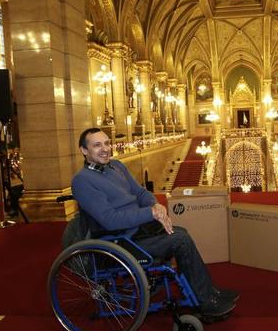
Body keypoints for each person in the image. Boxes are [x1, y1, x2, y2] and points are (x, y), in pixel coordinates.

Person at [71, 127, 238, 318]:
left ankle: (208, 292)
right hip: (119, 242)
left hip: (138, 231)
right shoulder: (82, 181)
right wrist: (150, 213)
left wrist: (155, 205)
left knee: (180, 231)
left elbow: (141, 193)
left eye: (107, 143)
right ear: (84, 150)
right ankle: (206, 302)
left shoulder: (116, 166)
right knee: (180, 239)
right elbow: (110, 220)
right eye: (97, 145)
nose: (105, 149)